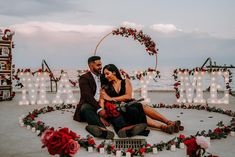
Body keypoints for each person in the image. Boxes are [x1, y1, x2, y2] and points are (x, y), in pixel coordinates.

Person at [73, 56, 147, 139]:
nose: (101, 67)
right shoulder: (84, 78)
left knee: (112, 108)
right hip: (91, 104)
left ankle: (123, 130)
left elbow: (111, 90)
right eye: (98, 65)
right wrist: (99, 111)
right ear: (90, 66)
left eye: (101, 64)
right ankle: (102, 130)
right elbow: (87, 96)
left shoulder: (103, 76)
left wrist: (114, 102)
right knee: (86, 107)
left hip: (103, 103)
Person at [100, 64, 183, 134]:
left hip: (129, 104)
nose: (106, 76)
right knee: (135, 109)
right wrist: (102, 116)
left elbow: (128, 96)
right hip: (117, 109)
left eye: (107, 74)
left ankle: (168, 122)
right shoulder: (105, 87)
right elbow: (102, 101)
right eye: (104, 75)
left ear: (114, 72)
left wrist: (111, 98)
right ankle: (164, 127)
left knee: (139, 106)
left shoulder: (125, 81)